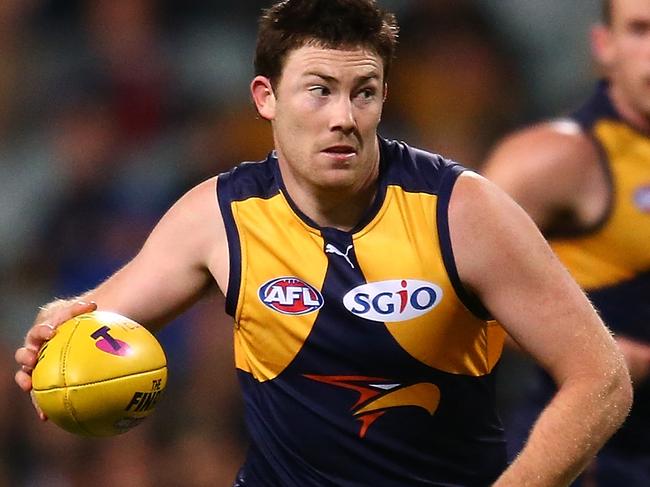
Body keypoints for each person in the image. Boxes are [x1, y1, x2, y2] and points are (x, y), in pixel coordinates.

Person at [15, 1, 632, 486]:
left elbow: (600, 377)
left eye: (363, 91)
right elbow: (100, 319)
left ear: (384, 98)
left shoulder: (463, 212)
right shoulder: (218, 216)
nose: (344, 116)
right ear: (267, 98)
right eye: (318, 89)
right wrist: (57, 328)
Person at [483, 0, 650, 485]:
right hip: (598, 455)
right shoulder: (554, 159)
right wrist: (594, 354)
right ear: (605, 45)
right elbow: (458, 287)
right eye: (640, 30)